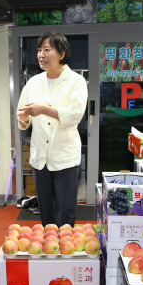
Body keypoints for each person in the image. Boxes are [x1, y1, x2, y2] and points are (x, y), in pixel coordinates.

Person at [16, 32, 88, 227]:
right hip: (40, 157)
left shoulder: (76, 81)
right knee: (45, 209)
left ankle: (65, 251)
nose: (41, 55)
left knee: (65, 210)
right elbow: (23, 117)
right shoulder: (33, 83)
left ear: (61, 54)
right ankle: (49, 249)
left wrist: (43, 110)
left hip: (65, 155)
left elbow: (75, 114)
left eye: (47, 50)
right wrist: (23, 120)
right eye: (39, 51)